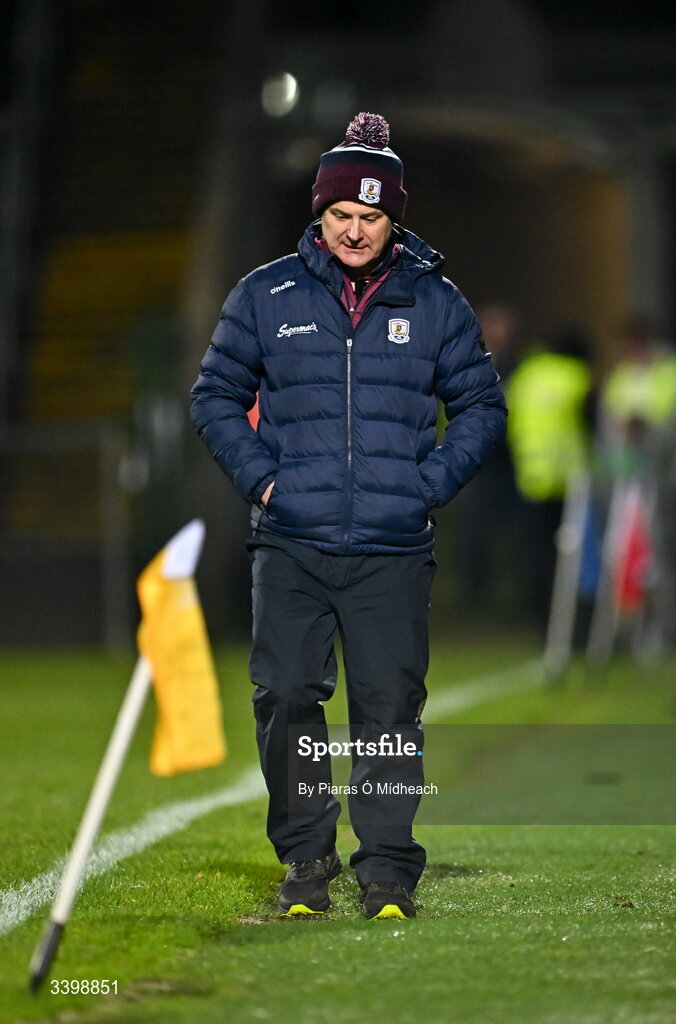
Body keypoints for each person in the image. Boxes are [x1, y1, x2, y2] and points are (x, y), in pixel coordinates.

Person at [190, 112, 507, 919]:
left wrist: (426, 485)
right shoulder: (265, 294)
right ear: (318, 212)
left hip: (392, 550)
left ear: (392, 218)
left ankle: (389, 868)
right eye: (341, 216)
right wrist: (265, 483)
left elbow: (480, 405)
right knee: (288, 695)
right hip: (290, 542)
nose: (355, 231)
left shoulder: (435, 302)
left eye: (371, 217)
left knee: (388, 709)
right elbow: (216, 396)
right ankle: (305, 857)